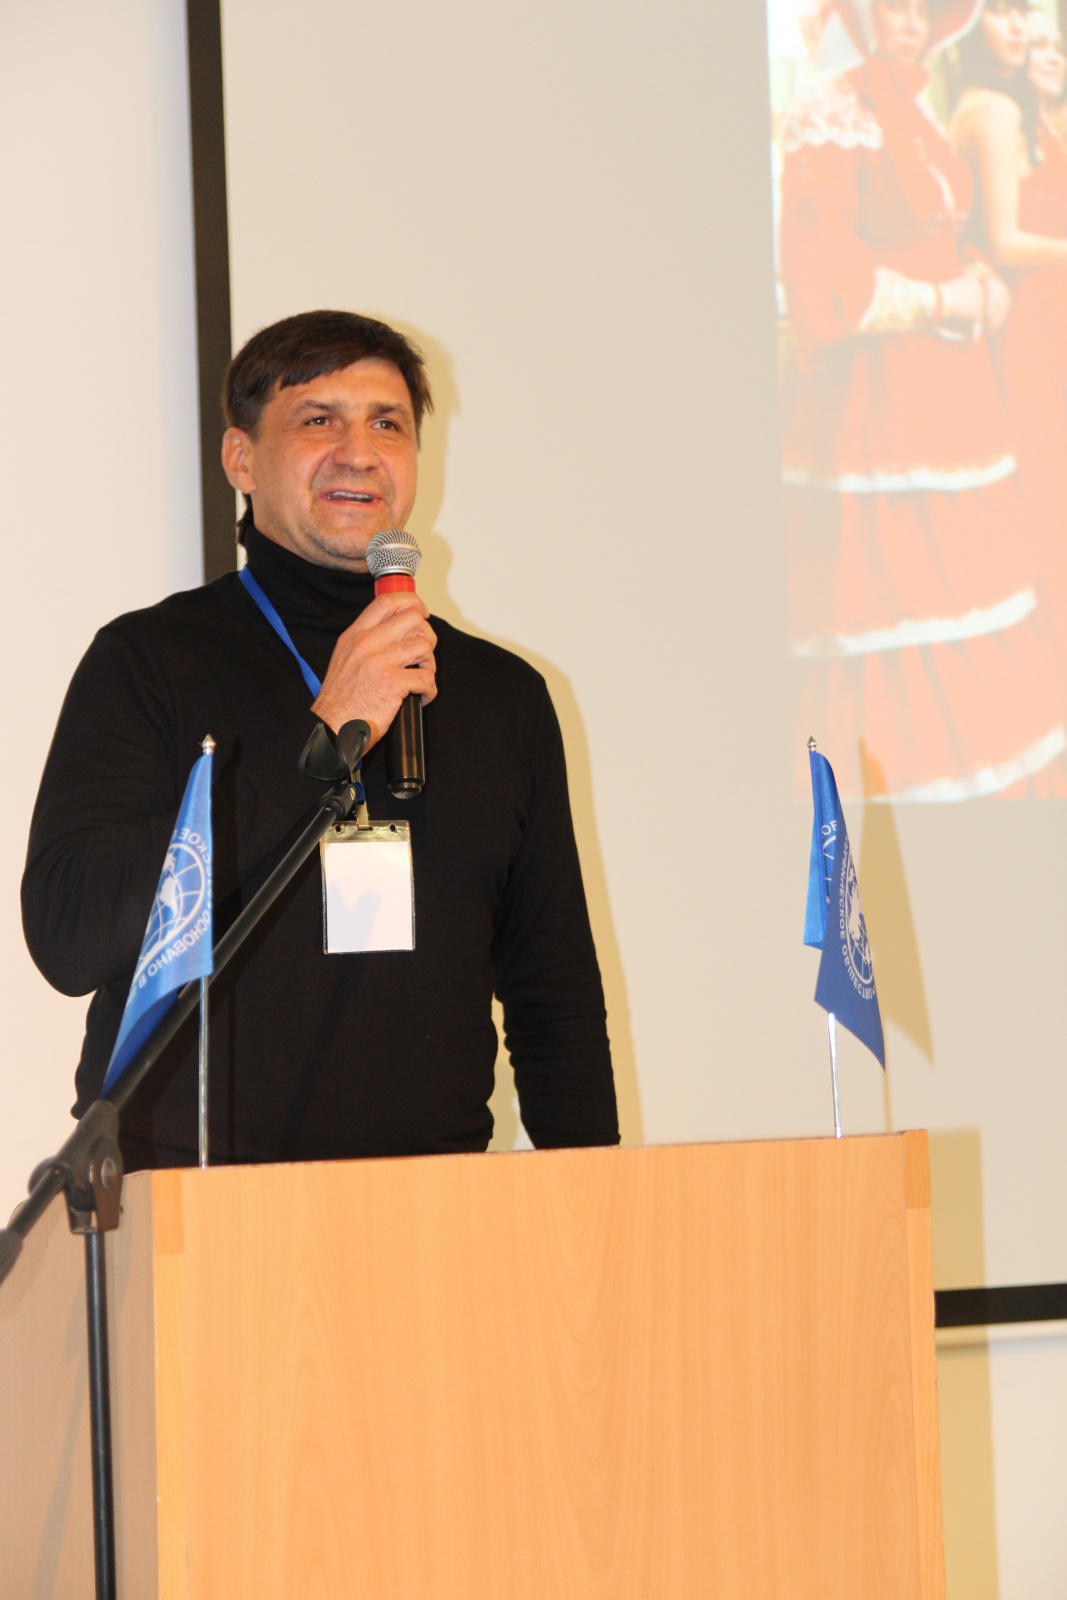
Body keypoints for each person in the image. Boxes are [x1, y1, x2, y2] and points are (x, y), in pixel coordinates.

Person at [22, 310, 620, 1168]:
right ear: (240, 460)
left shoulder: (504, 696)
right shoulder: (148, 661)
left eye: (388, 424)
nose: (359, 451)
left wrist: (596, 1205)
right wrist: (324, 734)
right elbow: (71, 935)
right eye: (317, 420)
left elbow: (552, 992)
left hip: (437, 1200)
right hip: (189, 1193)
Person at [778, 0, 1066, 800]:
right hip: (875, 399)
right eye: (892, 5)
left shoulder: (913, 110)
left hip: (950, 387)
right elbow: (823, 279)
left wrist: (973, 273)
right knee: (894, 586)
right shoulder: (828, 109)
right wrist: (946, 299)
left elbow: (943, 229)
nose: (909, 20)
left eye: (921, 8)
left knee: (970, 577)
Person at [951, 2, 1067, 671]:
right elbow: (1002, 240)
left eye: (1024, 13)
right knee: (1046, 474)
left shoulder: (1019, 111)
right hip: (1031, 316)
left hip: (1046, 307)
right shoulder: (991, 110)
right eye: (1002, 12)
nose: (1019, 29)